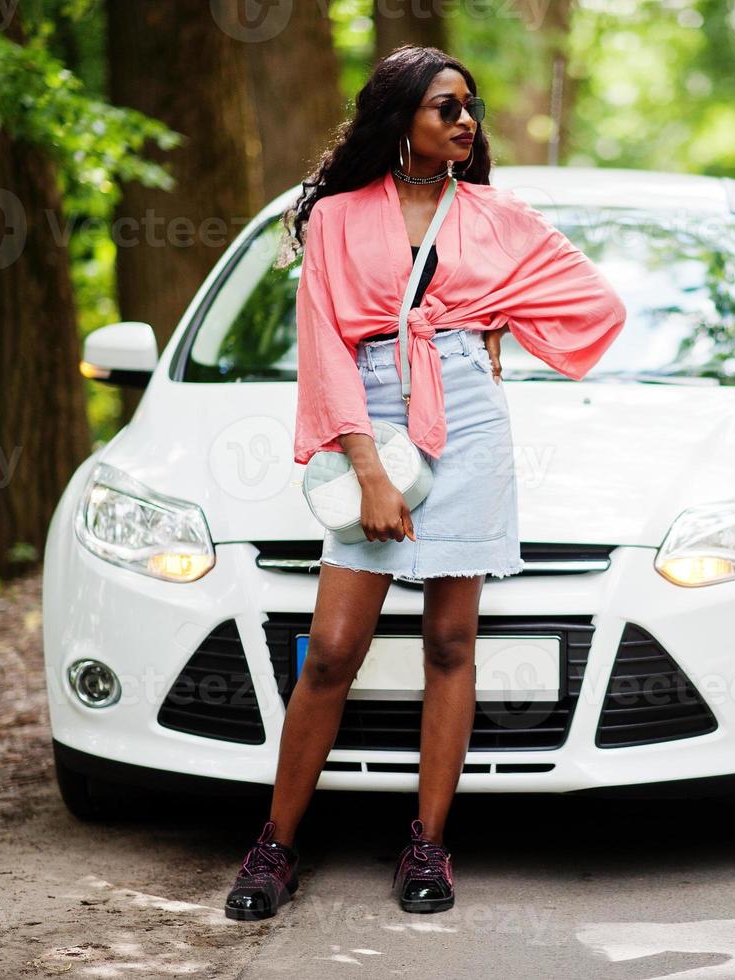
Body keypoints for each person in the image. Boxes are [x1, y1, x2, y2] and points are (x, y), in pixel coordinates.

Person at [224, 44, 628, 920]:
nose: (465, 121)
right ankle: (275, 844)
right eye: (446, 107)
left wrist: (495, 329)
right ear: (400, 115)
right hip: (367, 411)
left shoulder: (495, 215)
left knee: (451, 643)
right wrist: (368, 470)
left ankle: (428, 846)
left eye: (470, 107)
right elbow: (323, 348)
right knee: (333, 649)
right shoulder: (335, 217)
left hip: (469, 418)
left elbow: (595, 305)